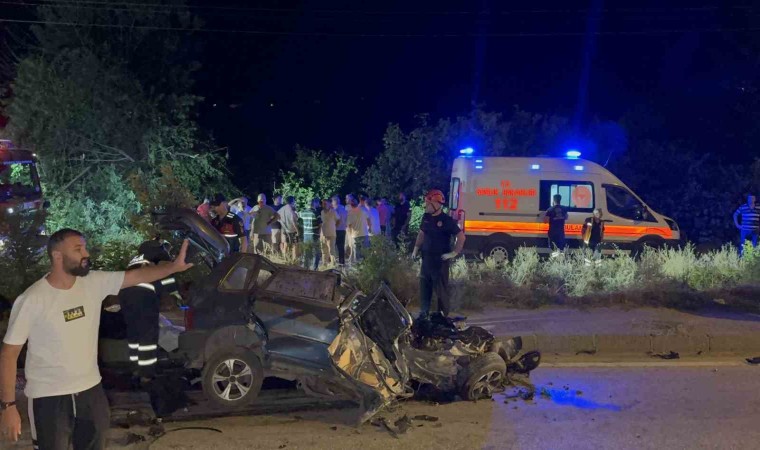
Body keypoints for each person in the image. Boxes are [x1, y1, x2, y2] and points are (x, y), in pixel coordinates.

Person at [0, 229, 193, 448]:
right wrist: (8, 406)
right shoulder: (32, 299)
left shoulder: (93, 282)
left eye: (84, 247)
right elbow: (9, 354)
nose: (86, 253)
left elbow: (137, 276)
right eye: (78, 249)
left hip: (91, 392)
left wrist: (173, 267)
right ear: (57, 256)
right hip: (48, 396)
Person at [120, 238, 181, 384]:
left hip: (125, 295)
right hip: (143, 296)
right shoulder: (159, 254)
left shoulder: (137, 259)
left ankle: (136, 368)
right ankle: (146, 374)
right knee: (147, 336)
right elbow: (166, 276)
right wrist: (175, 296)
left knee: (134, 333)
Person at [411, 189, 465, 318]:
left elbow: (461, 237)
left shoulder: (446, 220)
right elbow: (421, 234)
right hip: (426, 260)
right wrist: (415, 249)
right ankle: (424, 314)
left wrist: (453, 253)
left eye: (428, 203)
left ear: (436, 204)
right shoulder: (426, 217)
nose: (426, 206)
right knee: (425, 289)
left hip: (439, 262)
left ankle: (442, 316)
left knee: (441, 291)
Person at [346, 196, 371, 263]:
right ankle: (367, 265)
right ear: (357, 204)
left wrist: (350, 235)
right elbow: (368, 219)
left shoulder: (350, 213)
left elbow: (349, 226)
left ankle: (358, 266)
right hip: (364, 233)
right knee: (366, 252)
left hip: (355, 235)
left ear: (351, 205)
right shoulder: (363, 210)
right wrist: (369, 228)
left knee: (357, 253)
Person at [300, 198, 322, 270]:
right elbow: (320, 224)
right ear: (313, 204)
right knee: (317, 252)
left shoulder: (302, 213)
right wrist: (319, 233)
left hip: (306, 234)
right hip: (314, 235)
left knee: (307, 252)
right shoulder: (315, 213)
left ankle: (306, 267)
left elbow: (300, 223)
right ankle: (315, 268)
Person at [279, 196, 300, 260]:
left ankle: (284, 258)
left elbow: (276, 217)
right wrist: (297, 231)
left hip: (284, 229)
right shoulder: (291, 209)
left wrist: (282, 223)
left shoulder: (282, 209)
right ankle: (294, 260)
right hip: (292, 230)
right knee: (294, 245)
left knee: (286, 244)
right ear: (293, 201)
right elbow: (293, 221)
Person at [321, 199, 339, 265]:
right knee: (324, 251)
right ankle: (324, 265)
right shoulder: (322, 212)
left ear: (329, 204)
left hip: (331, 234)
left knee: (331, 251)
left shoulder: (333, 212)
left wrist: (334, 227)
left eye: (325, 203)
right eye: (323, 203)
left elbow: (338, 220)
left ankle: (333, 265)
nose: (323, 205)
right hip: (323, 235)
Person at [332, 196, 348, 265]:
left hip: (336, 230)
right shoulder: (344, 209)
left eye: (332, 201)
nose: (332, 203)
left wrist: (334, 227)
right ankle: (342, 262)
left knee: (333, 246)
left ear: (335, 202)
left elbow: (337, 220)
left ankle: (333, 262)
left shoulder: (336, 210)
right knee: (341, 247)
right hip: (343, 230)